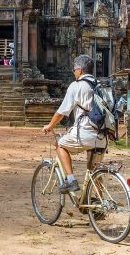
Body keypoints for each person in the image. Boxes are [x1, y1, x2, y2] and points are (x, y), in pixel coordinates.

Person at [42, 55, 105, 193]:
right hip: (102, 136)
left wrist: (50, 126)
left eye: (74, 69)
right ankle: (97, 207)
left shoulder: (76, 86)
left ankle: (70, 180)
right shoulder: (100, 84)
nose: (73, 72)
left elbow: (62, 112)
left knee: (59, 145)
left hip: (85, 133)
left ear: (80, 70)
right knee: (94, 171)